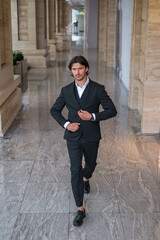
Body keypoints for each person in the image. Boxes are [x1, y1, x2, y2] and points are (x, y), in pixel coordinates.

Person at [50, 55, 117, 227]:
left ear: (86, 68)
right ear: (71, 71)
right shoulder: (66, 91)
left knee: (91, 164)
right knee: (74, 170)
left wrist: (93, 116)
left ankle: (87, 178)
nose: (77, 72)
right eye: (74, 69)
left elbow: (112, 110)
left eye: (80, 68)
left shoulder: (98, 89)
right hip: (72, 137)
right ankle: (80, 209)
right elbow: (54, 110)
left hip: (91, 135)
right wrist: (66, 124)